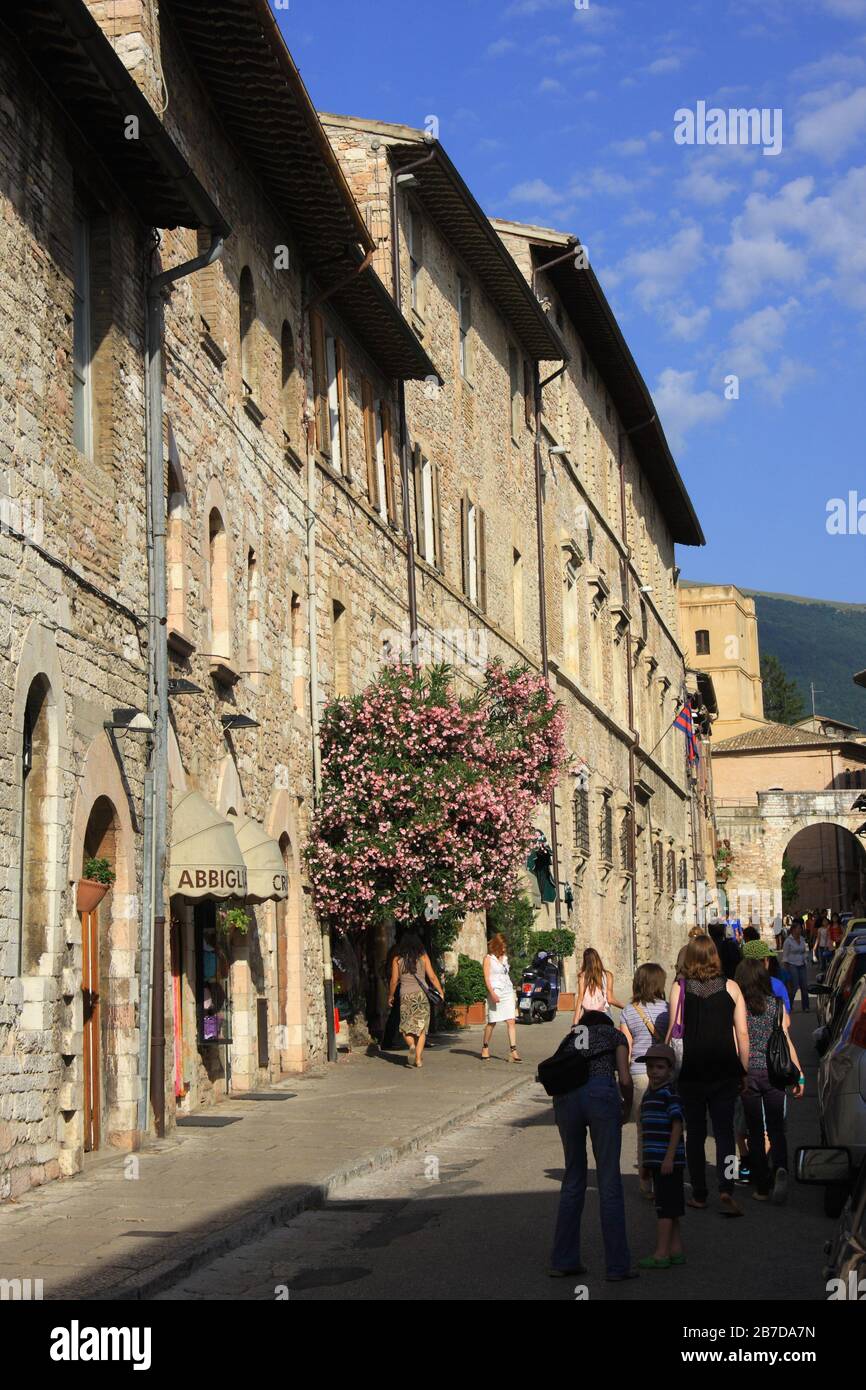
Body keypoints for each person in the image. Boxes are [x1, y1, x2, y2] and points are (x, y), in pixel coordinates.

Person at [665, 935, 749, 1216]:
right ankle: (727, 1187)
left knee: (696, 1134)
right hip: (725, 1069)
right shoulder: (732, 988)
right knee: (725, 1133)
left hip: (692, 1070)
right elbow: (743, 1033)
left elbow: (675, 1026)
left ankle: (700, 1192)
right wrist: (744, 1068)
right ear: (715, 957)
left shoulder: (680, 988)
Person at [550, 1010, 636, 1281]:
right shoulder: (614, 1035)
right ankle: (617, 1267)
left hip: (566, 1100)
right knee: (609, 1180)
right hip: (601, 1095)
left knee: (573, 1178)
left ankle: (564, 1260)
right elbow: (624, 1078)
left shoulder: (570, 1037)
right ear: (605, 1024)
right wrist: (628, 1107)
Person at [734, 958, 804, 1204]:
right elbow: (785, 1038)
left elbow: (737, 1039)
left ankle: (762, 1185)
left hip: (750, 1072)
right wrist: (799, 1073)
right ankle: (780, 1168)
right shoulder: (776, 1004)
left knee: (754, 1129)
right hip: (774, 1072)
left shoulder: (740, 1008)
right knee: (776, 1128)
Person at [619, 963, 670, 1198]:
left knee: (643, 1130)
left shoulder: (629, 1011)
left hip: (639, 1072)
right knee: (668, 1127)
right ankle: (666, 1175)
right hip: (665, 1073)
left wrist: (624, 1076)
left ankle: (644, 1180)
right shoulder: (667, 1009)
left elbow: (625, 1047)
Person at [638, 1043, 686, 1269]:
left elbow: (677, 1125)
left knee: (664, 1211)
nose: (653, 1071)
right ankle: (676, 1250)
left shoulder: (669, 1094)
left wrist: (668, 1157)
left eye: (659, 1067)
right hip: (657, 1161)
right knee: (671, 1208)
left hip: (668, 1162)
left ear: (670, 1070)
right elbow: (647, 1133)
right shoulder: (650, 1095)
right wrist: (647, 1164)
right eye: (650, 1067)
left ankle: (661, 1253)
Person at [387, 931, 443, 1069]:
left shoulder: (397, 960)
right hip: (421, 996)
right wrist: (440, 992)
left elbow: (394, 980)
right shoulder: (423, 957)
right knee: (421, 1029)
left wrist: (391, 996)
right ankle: (418, 1059)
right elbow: (432, 977)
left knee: (406, 1028)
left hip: (405, 996)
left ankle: (411, 1045)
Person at [480, 933, 520, 1062]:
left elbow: (506, 974)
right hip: (495, 991)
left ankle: (513, 1051)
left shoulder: (505, 958)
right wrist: (492, 993)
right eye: (502, 946)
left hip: (507, 990)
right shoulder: (488, 959)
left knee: (511, 1021)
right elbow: (487, 978)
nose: (504, 949)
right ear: (497, 945)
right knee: (492, 1021)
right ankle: (485, 1047)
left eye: (505, 947)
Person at [742, 937, 792, 1016]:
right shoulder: (776, 985)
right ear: (765, 961)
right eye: (768, 958)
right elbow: (785, 1017)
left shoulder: (736, 986)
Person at [574, 947, 623, 1022]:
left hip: (588, 1016)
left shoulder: (582, 976)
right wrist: (625, 1007)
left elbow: (580, 998)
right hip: (604, 1014)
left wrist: (575, 1021)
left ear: (585, 961)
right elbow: (610, 999)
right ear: (597, 959)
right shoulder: (608, 975)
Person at [781, 920, 810, 1012]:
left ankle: (806, 1007)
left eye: (800, 929)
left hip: (802, 964)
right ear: (793, 930)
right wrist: (785, 969)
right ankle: (789, 1006)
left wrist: (806, 958)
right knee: (794, 987)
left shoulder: (802, 939)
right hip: (792, 965)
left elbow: (804, 951)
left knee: (804, 986)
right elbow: (785, 956)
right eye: (798, 928)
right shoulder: (788, 941)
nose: (800, 930)